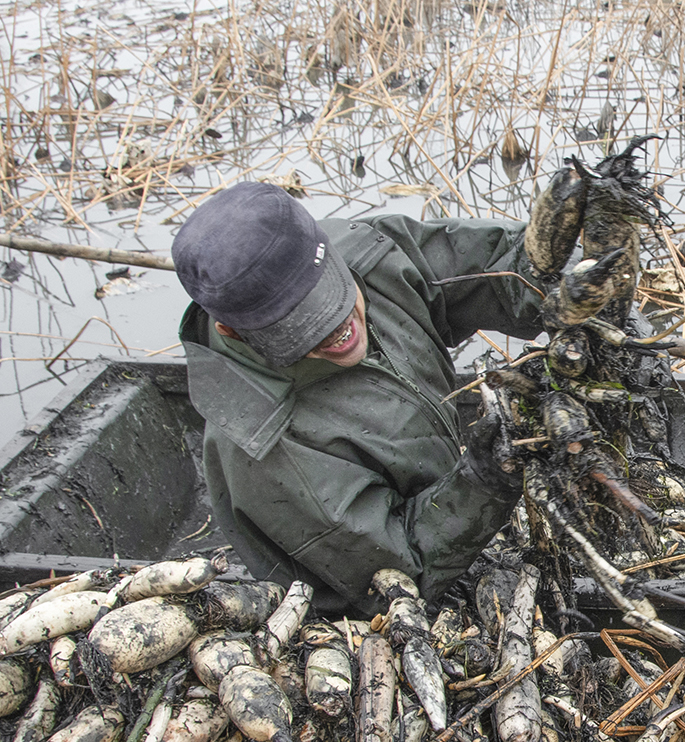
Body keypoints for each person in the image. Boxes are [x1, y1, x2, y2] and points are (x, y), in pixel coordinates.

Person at [173, 181, 542, 616]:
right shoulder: (267, 452)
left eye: (335, 300)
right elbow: (401, 573)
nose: (338, 333)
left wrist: (556, 272)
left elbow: (493, 269)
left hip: (443, 481)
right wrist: (485, 479)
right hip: (367, 588)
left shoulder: (360, 248)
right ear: (232, 332)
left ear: (327, 253)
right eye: (301, 328)